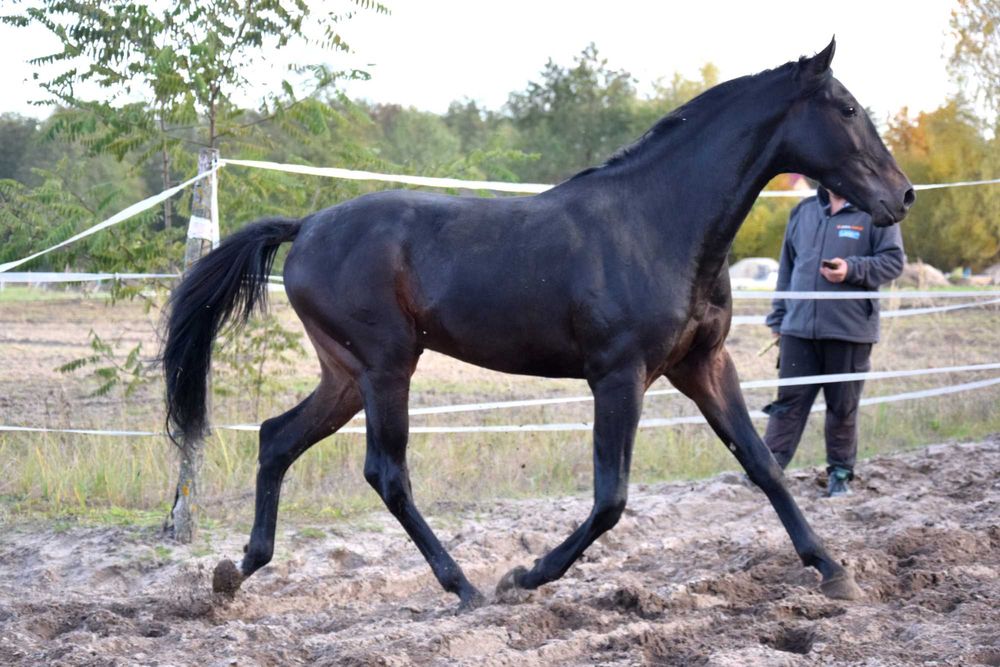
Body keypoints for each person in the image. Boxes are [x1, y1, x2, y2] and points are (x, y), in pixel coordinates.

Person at [763, 186, 905, 496]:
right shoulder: (803, 211)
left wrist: (852, 269)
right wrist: (779, 317)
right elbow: (787, 268)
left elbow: (894, 261)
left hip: (849, 329)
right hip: (798, 328)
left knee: (842, 406)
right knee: (787, 403)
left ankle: (840, 474)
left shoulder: (875, 211)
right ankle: (767, 470)